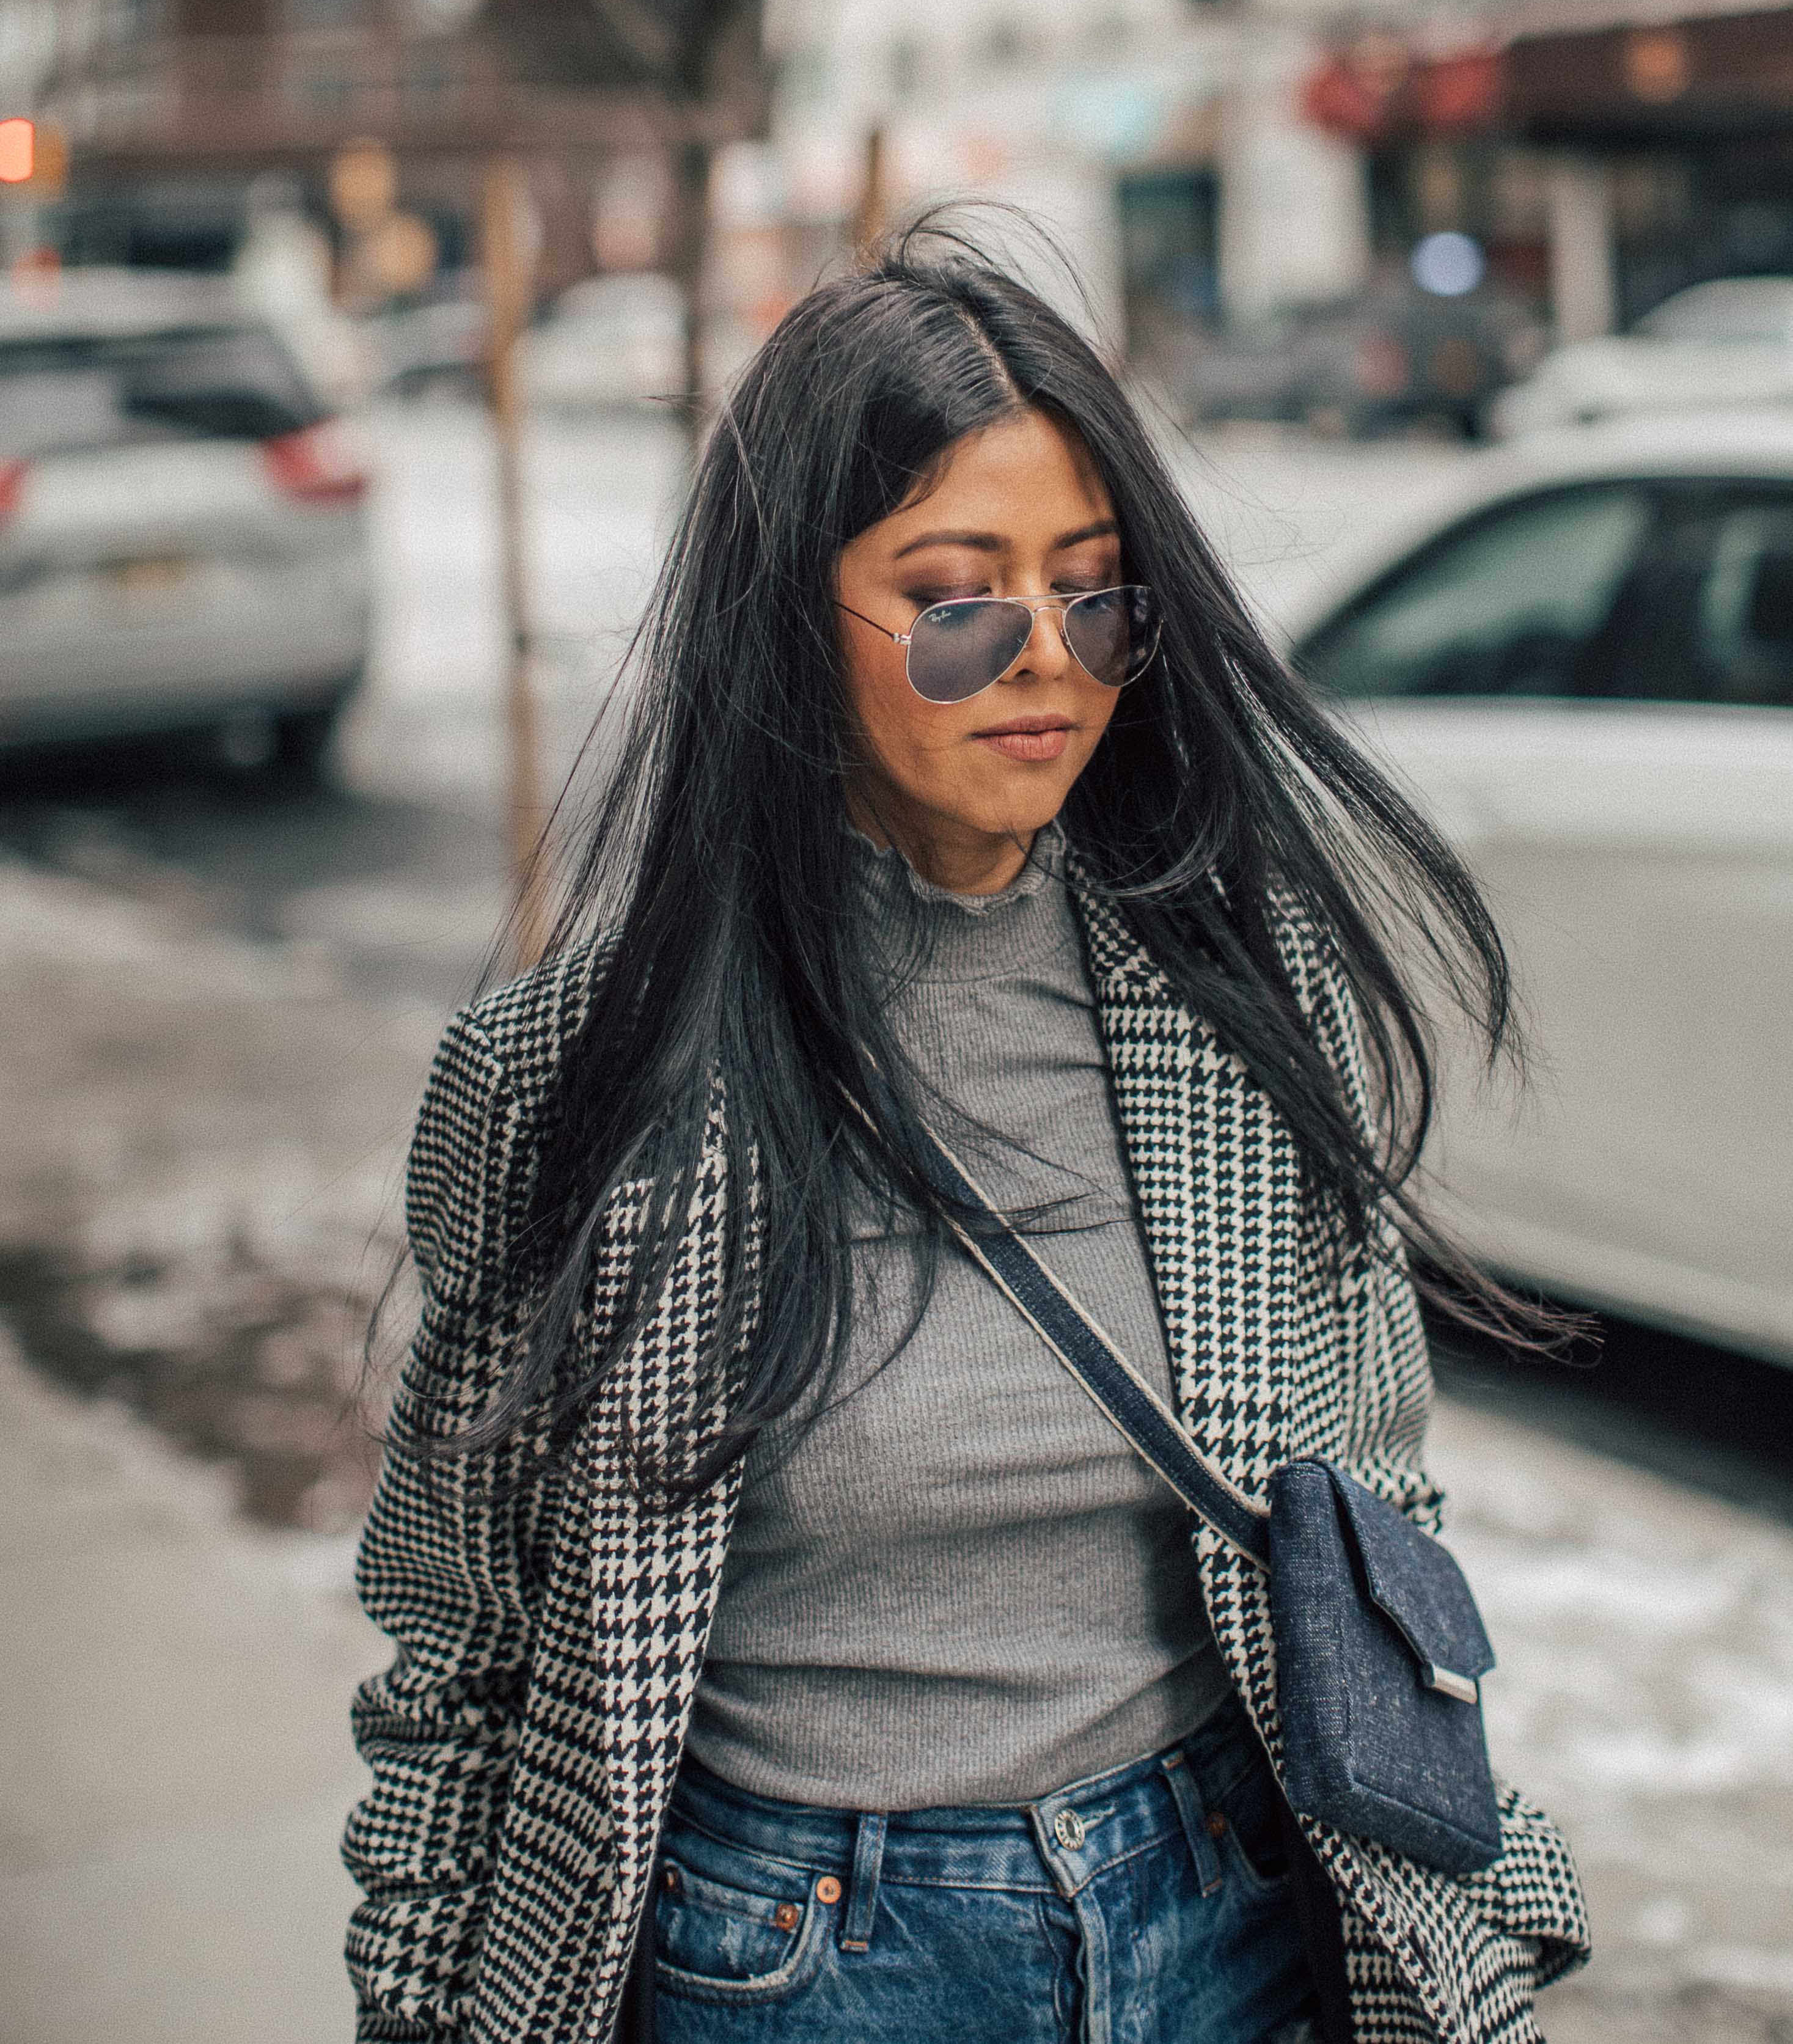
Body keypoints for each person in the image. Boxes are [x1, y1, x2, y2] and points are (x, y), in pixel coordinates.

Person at [344, 227, 1588, 2044]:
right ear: (793, 611)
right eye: (957, 597)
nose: (1048, 663)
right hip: (791, 1963)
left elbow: (1373, 1501)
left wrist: (1480, 1888)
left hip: (1228, 1922)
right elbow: (456, 1655)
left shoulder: (1246, 1009)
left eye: (1096, 595)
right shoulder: (574, 1086)